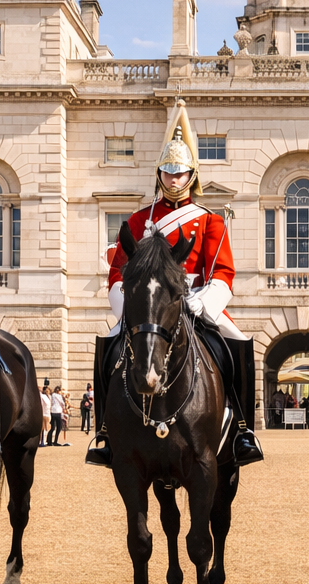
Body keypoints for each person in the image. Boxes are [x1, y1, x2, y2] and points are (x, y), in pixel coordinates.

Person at [89, 99, 262, 468]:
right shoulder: (138, 221)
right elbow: (118, 272)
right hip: (148, 306)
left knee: (238, 343)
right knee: (108, 343)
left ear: (191, 176)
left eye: (180, 173)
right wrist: (130, 307)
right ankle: (105, 431)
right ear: (159, 175)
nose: (173, 179)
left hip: (197, 301)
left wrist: (204, 301)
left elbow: (224, 273)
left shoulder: (210, 221)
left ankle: (244, 430)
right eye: (167, 172)